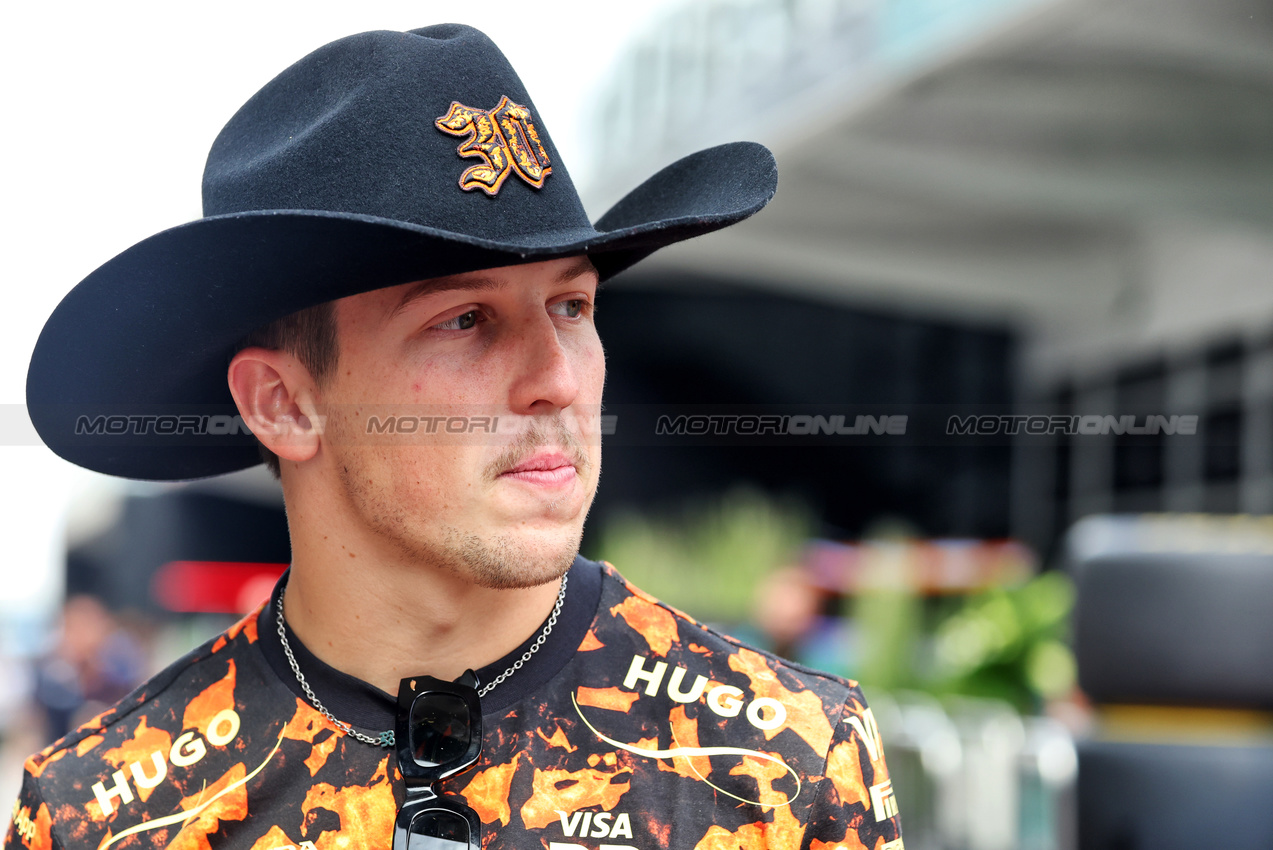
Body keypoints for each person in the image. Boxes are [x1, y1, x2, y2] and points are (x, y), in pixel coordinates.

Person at [9, 24, 904, 850]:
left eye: (572, 305)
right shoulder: (112, 812)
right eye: (465, 320)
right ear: (282, 403)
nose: (556, 378)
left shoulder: (781, 761)